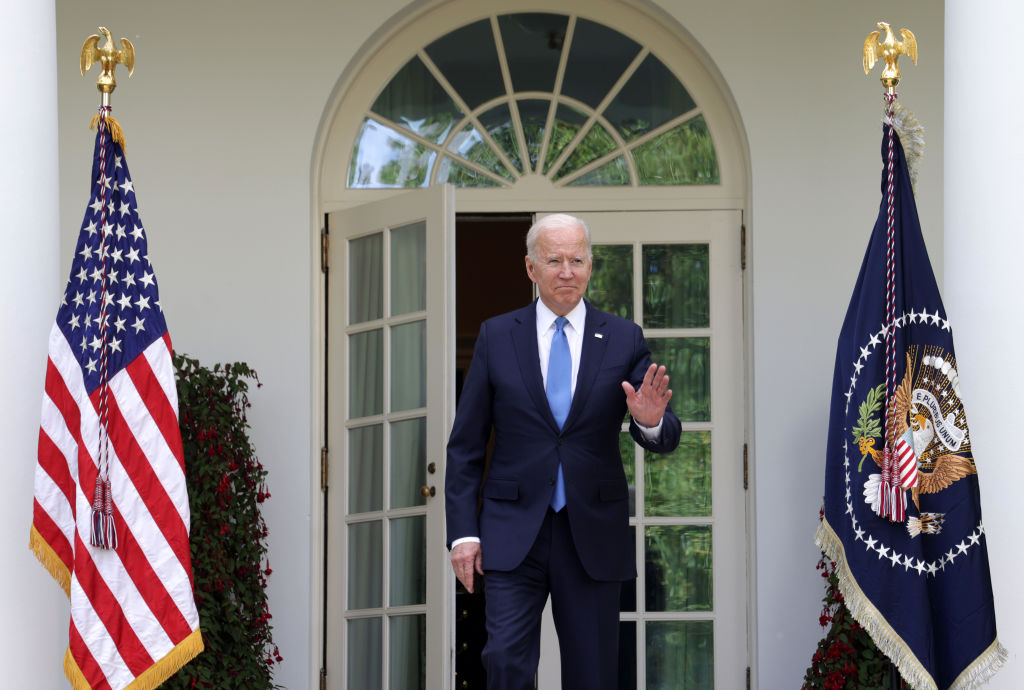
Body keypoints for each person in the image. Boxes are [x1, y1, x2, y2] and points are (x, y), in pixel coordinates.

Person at [445, 213, 682, 690]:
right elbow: (466, 445)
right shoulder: (496, 336)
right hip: (514, 531)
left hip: (591, 531)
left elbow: (662, 427)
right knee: (506, 663)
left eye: (577, 260)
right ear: (531, 268)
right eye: (554, 260)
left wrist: (650, 421)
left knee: (593, 672)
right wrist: (463, 535)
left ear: (591, 266)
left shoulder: (622, 337)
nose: (567, 271)